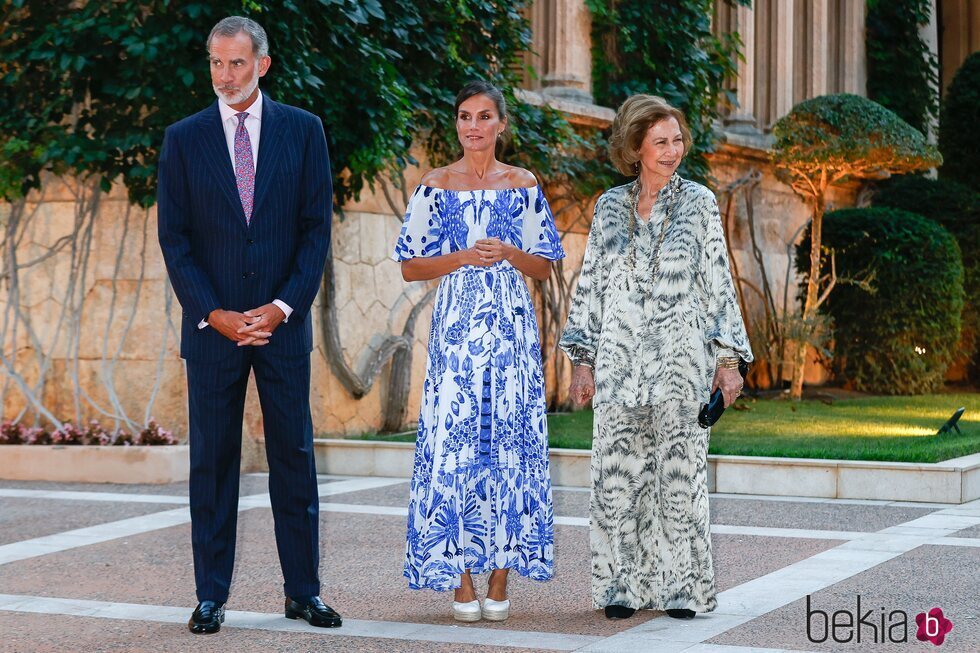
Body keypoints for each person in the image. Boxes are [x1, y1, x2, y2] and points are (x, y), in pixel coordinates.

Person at [157, 16, 340, 634]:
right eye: (215, 63)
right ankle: (211, 594)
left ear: (262, 64)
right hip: (213, 332)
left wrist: (282, 307)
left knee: (294, 456)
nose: (224, 76)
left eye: (236, 64)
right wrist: (215, 314)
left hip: (281, 326)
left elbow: (316, 231)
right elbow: (175, 240)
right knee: (211, 461)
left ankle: (303, 591)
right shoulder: (182, 139)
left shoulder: (304, 131)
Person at [559, 94, 752, 621]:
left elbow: (718, 284)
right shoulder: (608, 206)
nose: (673, 150)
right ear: (636, 147)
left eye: (677, 140)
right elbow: (592, 284)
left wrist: (729, 361)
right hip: (619, 366)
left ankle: (684, 588)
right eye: (661, 141)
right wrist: (583, 359)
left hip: (680, 366)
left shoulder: (700, 203)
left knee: (679, 478)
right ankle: (620, 586)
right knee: (616, 478)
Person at [394, 81, 564, 623]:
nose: (473, 126)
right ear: (457, 124)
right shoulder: (435, 186)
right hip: (456, 334)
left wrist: (510, 251)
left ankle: (500, 578)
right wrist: (462, 255)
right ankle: (461, 580)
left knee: (510, 443)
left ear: (500, 124)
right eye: (465, 116)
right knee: (454, 444)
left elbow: (545, 263)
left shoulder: (523, 185)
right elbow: (410, 264)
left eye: (484, 116)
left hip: (512, 331)